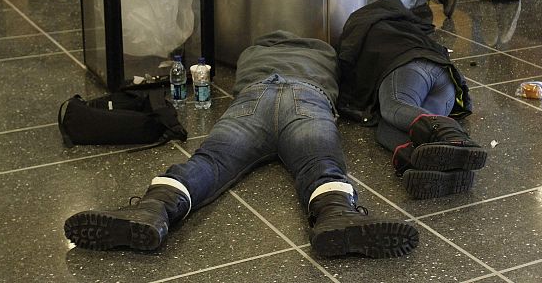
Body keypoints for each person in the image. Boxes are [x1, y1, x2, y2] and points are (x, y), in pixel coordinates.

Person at [64, 31, 419, 258]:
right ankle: (336, 214)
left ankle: (153, 208)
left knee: (210, 161)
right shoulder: (324, 54)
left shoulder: (253, 53)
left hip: (254, 98)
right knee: (320, 163)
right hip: (306, 98)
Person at [337, 0, 486, 200]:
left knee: (393, 106)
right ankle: (434, 166)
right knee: (386, 127)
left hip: (409, 68)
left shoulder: (363, 28)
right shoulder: (411, 27)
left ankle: (452, 137)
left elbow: (345, 64)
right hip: (447, 83)